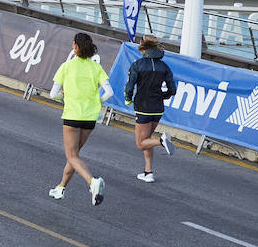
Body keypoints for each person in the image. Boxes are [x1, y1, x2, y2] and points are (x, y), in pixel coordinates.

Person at [48, 32, 113, 206]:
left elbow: (53, 93)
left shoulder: (66, 66)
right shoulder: (96, 68)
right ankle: (61, 188)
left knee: (71, 155)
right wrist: (96, 101)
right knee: (74, 156)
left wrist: (64, 96)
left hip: (72, 116)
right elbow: (109, 92)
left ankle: (92, 182)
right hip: (90, 118)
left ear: (76, 47)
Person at [124, 35, 176, 183]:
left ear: (144, 48)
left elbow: (129, 86)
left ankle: (161, 141)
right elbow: (173, 90)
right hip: (158, 107)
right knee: (147, 140)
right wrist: (162, 96)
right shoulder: (164, 66)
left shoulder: (137, 65)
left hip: (143, 106)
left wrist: (128, 98)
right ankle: (148, 172)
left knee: (141, 144)